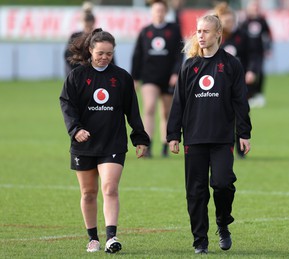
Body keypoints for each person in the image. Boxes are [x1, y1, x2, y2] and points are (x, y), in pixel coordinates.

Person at [166, 14, 252, 254]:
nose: (200, 36)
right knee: (196, 192)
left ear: (218, 35)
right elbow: (178, 103)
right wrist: (173, 134)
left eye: (205, 31)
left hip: (222, 138)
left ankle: (223, 222)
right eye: (198, 31)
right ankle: (200, 241)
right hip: (194, 138)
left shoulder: (231, 64)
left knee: (223, 183)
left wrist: (244, 133)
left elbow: (240, 101)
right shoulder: (189, 66)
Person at [60, 28, 150, 253]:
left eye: (109, 53)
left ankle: (111, 237)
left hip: (113, 141)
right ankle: (93, 238)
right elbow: (67, 105)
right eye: (100, 53)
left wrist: (140, 137)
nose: (104, 57)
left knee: (110, 188)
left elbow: (132, 110)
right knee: (88, 193)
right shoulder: (77, 76)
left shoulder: (121, 77)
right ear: (90, 50)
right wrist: (75, 130)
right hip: (84, 144)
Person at [131, 0, 184, 158]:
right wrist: (135, 77)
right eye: (156, 10)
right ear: (152, 12)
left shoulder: (173, 30)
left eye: (161, 10)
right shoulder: (145, 31)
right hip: (149, 76)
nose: (158, 13)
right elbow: (137, 55)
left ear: (165, 11)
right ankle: (146, 145)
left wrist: (176, 73)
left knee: (166, 112)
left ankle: (165, 146)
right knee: (149, 108)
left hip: (168, 77)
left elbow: (179, 54)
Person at [214, 2, 256, 158]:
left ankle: (241, 144)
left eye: (232, 21)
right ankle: (226, 145)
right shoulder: (216, 38)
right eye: (226, 22)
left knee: (241, 110)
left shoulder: (243, 36)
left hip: (239, 81)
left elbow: (253, 55)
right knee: (222, 114)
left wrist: (251, 70)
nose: (230, 25)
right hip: (219, 81)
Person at [240, 0, 273, 108]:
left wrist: (268, 48)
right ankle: (250, 95)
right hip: (247, 53)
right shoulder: (245, 22)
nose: (254, 10)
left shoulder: (262, 21)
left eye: (256, 8)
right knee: (248, 74)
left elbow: (268, 35)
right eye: (252, 8)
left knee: (260, 73)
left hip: (259, 52)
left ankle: (259, 94)